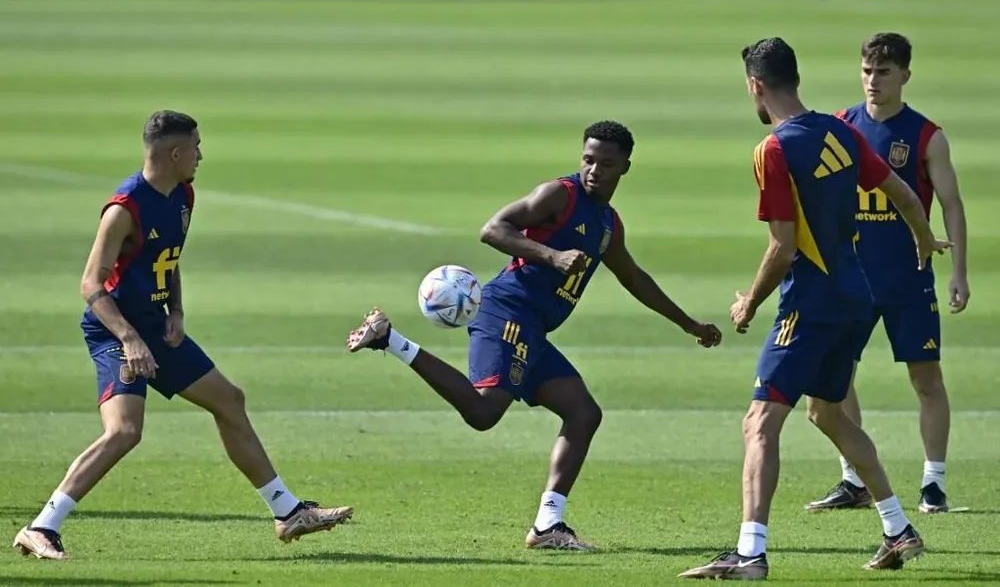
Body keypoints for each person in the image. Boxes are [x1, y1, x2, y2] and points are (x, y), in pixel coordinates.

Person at [346, 120, 722, 551]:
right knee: (484, 413)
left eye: (606, 163)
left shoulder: (607, 225)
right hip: (506, 310)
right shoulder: (560, 194)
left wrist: (688, 323)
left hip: (533, 328)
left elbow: (634, 277)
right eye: (588, 159)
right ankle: (389, 338)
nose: (594, 169)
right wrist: (552, 255)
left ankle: (548, 527)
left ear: (625, 168)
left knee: (583, 413)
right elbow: (493, 229)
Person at [12, 111, 353, 560]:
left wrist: (176, 310)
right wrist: (130, 339)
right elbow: (90, 284)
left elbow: (167, 260)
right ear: (175, 154)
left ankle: (288, 512)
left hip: (157, 329)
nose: (201, 154)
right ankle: (41, 527)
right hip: (116, 330)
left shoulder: (182, 195)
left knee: (229, 400)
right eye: (196, 146)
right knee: (124, 432)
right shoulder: (123, 208)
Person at [679, 38, 951, 580]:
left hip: (811, 301)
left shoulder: (774, 150)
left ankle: (750, 554)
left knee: (759, 423)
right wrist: (924, 240)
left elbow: (782, 247)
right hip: (858, 295)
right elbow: (905, 194)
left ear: (756, 86)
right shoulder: (842, 129)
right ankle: (899, 530)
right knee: (826, 411)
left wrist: (747, 304)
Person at [805, 32, 970, 514]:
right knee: (837, 376)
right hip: (851, 278)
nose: (872, 81)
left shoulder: (925, 135)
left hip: (908, 278)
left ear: (904, 76)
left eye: (883, 72)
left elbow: (953, 204)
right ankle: (853, 478)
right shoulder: (840, 127)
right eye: (866, 71)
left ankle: (933, 484)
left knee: (926, 378)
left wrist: (958, 270)